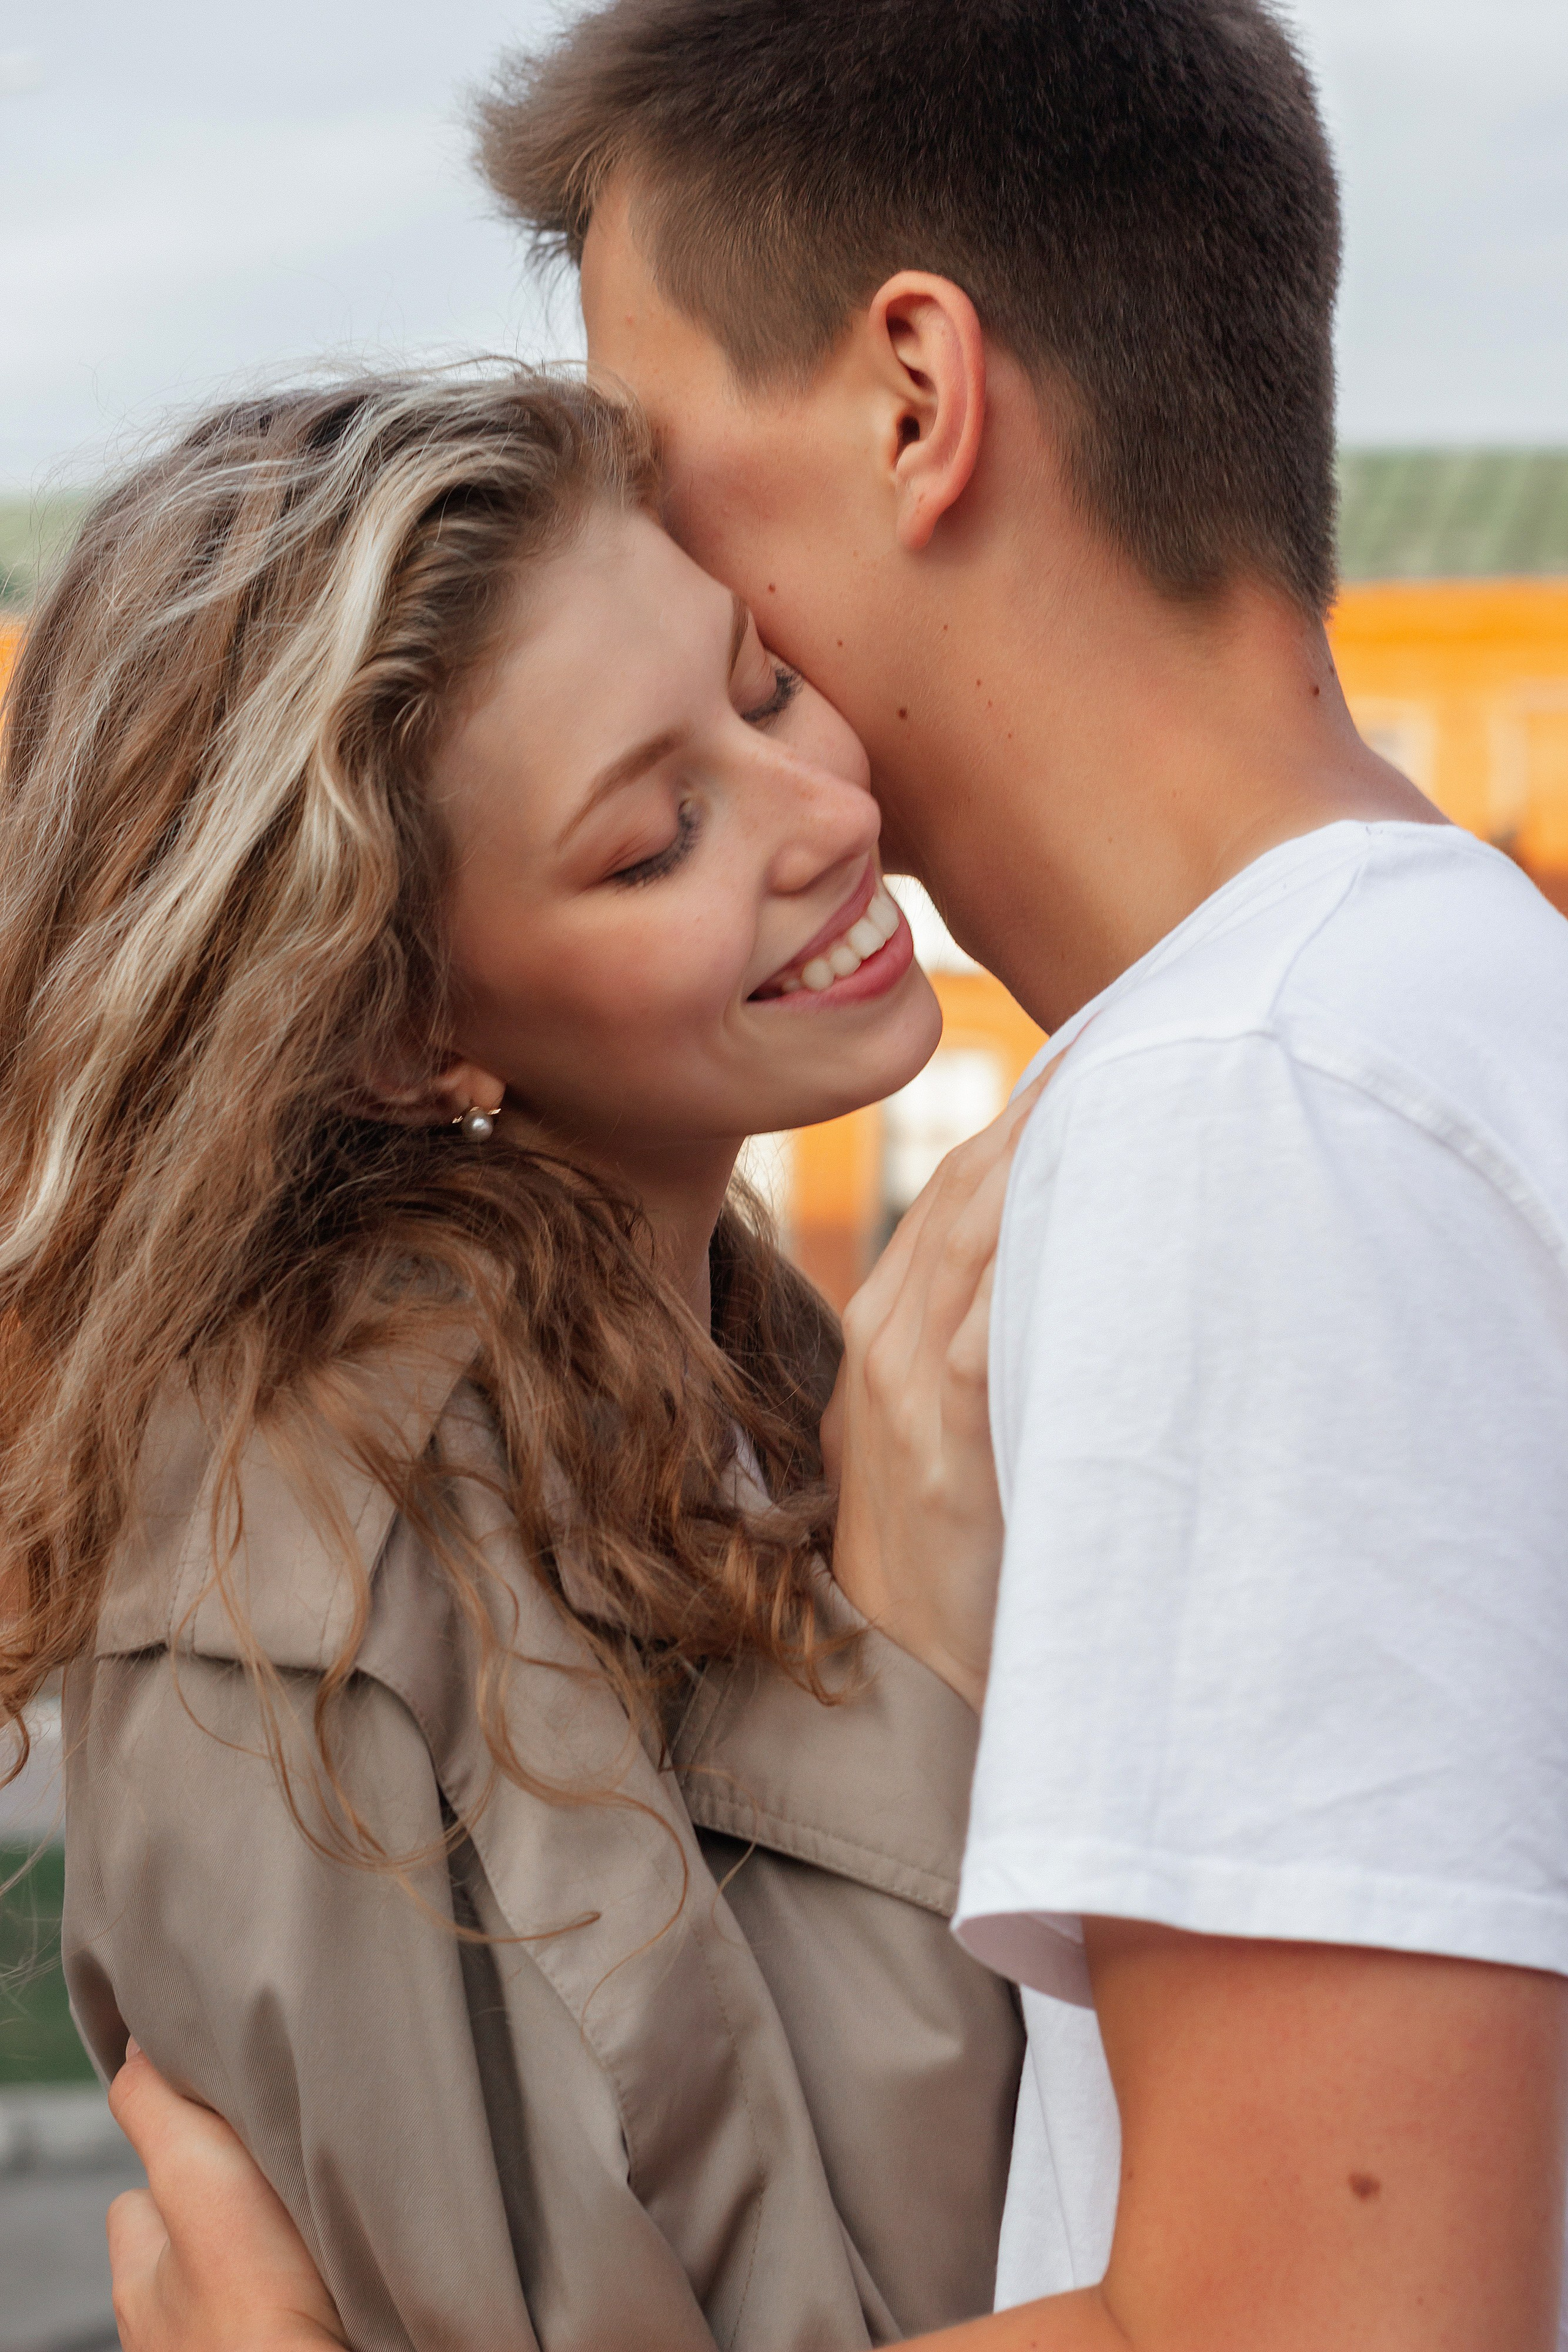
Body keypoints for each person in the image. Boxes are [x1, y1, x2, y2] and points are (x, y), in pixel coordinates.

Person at [105, 0, 1568, 2345]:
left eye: (670, 470)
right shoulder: (1417, 1020)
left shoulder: (1257, 1106)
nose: (656, 529)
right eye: (650, 825)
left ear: (914, 397)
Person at [0, 368, 1032, 2351]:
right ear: (401, 1033)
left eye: (762, 689)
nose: (831, 816)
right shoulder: (309, 1613)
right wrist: (913, 1659)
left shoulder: (734, 1364)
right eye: (656, 840)